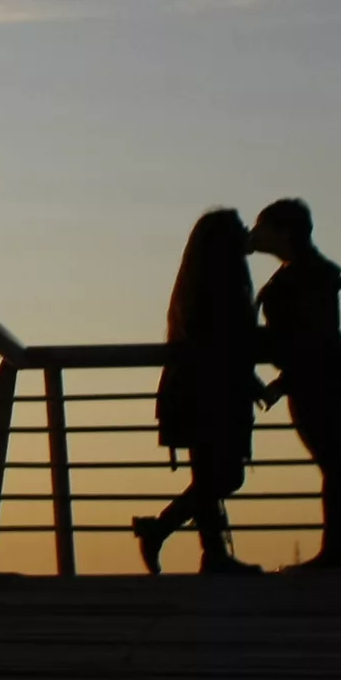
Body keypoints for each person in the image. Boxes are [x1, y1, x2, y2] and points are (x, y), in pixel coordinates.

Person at [134, 207, 259, 575]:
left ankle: (190, 543)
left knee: (211, 475)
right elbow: (218, 342)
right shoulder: (217, 285)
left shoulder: (199, 283)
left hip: (199, 389)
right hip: (208, 390)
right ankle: (180, 539)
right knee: (220, 476)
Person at [252, 196, 341, 571]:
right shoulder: (311, 273)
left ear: (283, 233)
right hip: (319, 377)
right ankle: (340, 547)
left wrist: (286, 380)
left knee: (333, 464)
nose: (255, 235)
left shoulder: (304, 277)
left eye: (262, 229)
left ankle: (339, 550)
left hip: (317, 380)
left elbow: (311, 339)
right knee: (334, 463)